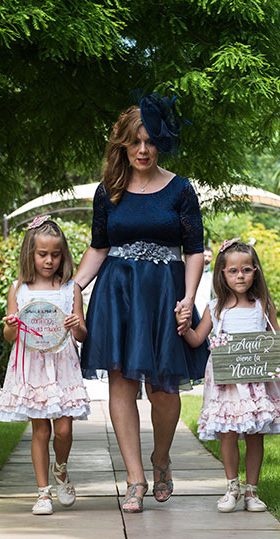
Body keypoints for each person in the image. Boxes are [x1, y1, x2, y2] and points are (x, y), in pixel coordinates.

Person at [75, 95, 208, 513]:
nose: (143, 149)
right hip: (117, 293)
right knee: (121, 383)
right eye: (135, 142)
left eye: (150, 141)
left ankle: (161, 458)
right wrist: (72, 288)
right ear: (123, 146)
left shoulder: (181, 189)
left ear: (160, 144)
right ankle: (135, 479)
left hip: (166, 294)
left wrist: (188, 298)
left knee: (165, 389)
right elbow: (99, 248)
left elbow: (195, 251)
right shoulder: (108, 193)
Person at [180, 239, 280, 512]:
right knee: (228, 433)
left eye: (246, 270)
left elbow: (276, 336)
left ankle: (252, 491)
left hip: (257, 383)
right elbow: (196, 340)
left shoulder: (262, 306)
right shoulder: (215, 309)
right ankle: (232, 487)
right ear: (222, 273)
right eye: (233, 271)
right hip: (226, 385)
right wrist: (184, 328)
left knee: (256, 435)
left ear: (255, 272)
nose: (240, 276)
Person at [0, 216, 90, 515]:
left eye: (55, 254)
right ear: (30, 254)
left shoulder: (69, 289)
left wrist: (76, 325)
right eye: (42, 254)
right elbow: (10, 335)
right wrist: (12, 324)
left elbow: (82, 333)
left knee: (63, 429)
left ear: (63, 255)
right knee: (41, 431)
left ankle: (60, 469)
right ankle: (43, 492)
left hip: (62, 364)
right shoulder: (19, 290)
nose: (49, 261)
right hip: (32, 366)